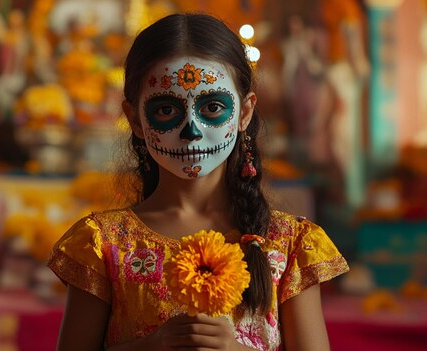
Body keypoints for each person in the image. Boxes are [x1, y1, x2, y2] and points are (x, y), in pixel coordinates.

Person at [48, 13, 349, 351]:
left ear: (244, 113)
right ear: (134, 119)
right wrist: (153, 345)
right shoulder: (101, 244)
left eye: (213, 107)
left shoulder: (292, 246)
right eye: (166, 111)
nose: (191, 132)